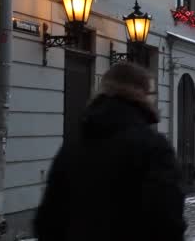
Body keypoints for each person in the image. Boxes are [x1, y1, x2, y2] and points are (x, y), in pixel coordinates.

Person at [35, 63, 186, 241]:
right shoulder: (153, 147)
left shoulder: (73, 145)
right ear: (142, 94)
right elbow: (168, 221)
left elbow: (47, 220)